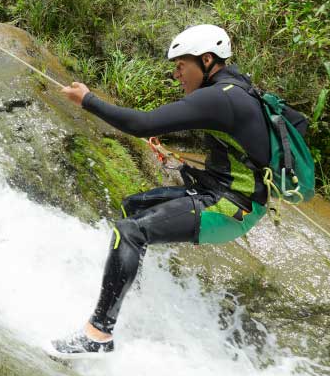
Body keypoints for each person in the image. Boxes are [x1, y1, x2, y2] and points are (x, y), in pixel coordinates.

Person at [52, 24, 277, 357]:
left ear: (207, 60)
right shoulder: (236, 88)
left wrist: (87, 100)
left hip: (231, 207)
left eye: (180, 66)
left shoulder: (221, 97)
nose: (176, 75)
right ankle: (129, 296)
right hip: (222, 193)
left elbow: (143, 124)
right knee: (132, 207)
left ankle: (98, 335)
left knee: (129, 232)